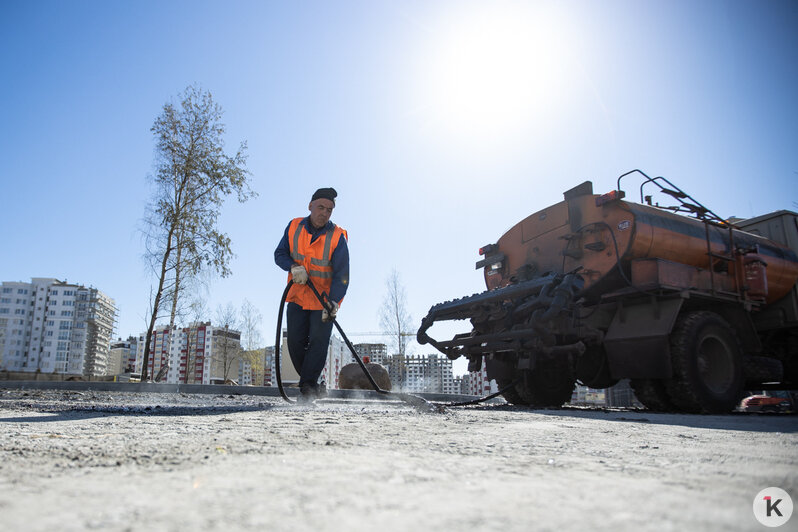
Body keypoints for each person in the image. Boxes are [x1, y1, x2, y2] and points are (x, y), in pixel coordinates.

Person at [274, 187, 349, 402]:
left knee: (318, 342)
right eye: (321, 207)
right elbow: (279, 254)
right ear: (310, 206)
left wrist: (333, 303)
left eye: (329, 210)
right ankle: (314, 385)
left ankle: (307, 389)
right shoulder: (294, 226)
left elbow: (342, 274)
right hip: (297, 297)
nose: (324, 213)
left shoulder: (337, 237)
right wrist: (292, 266)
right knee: (295, 343)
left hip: (322, 302)